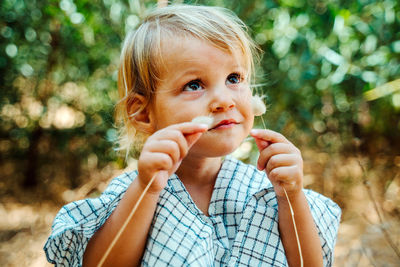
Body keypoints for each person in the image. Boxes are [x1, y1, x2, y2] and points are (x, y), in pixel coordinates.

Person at [44, 4, 341, 267]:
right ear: (144, 113)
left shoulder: (266, 190)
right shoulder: (134, 191)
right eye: (194, 84)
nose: (224, 100)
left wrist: (291, 196)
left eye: (234, 78)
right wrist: (147, 189)